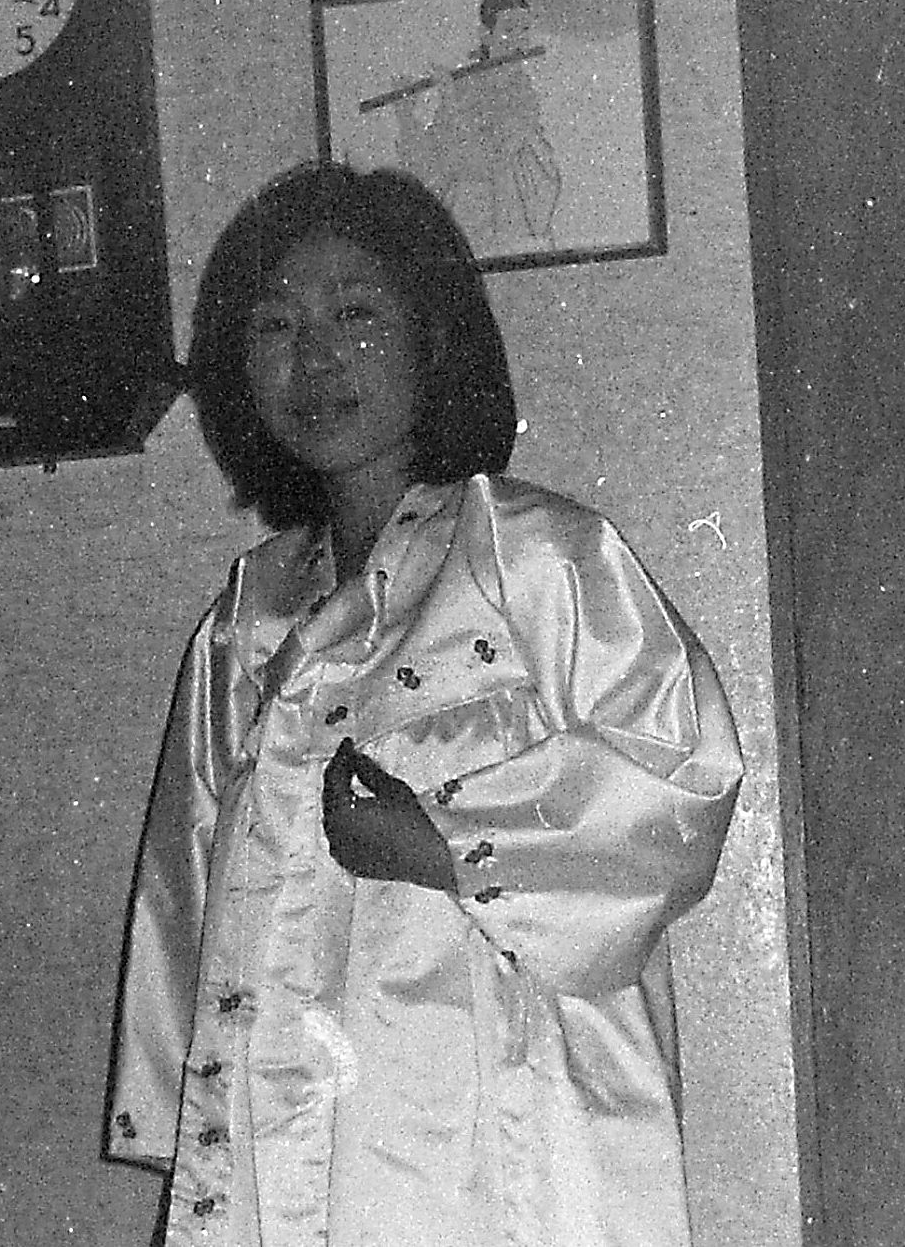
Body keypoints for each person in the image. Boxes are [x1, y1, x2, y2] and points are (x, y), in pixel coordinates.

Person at [103, 162, 742, 1246]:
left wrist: (448, 844)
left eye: (354, 314)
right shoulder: (247, 620)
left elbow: (679, 784)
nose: (314, 358)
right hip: (286, 1102)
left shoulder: (532, 556)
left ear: (433, 340)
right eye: (274, 325)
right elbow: (186, 896)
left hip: (495, 1103)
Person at [391, 0, 562, 251]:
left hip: (509, 226)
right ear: (486, 35)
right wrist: (406, 115)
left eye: (525, 29)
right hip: (467, 221)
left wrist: (451, 100)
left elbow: (486, 161)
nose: (519, 39)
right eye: (509, 30)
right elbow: (431, 165)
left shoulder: (522, 95)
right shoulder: (465, 85)